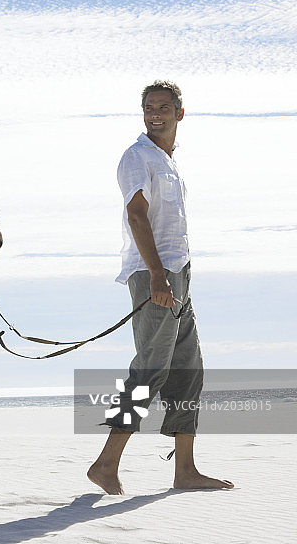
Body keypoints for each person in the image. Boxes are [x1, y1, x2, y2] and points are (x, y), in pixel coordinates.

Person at [87, 80, 233, 494]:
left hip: (177, 275)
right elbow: (137, 216)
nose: (156, 113)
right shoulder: (137, 157)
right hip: (155, 274)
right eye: (149, 106)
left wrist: (173, 276)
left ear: (179, 114)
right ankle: (105, 463)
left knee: (189, 371)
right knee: (150, 370)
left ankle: (185, 471)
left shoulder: (169, 161)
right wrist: (156, 275)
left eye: (164, 107)